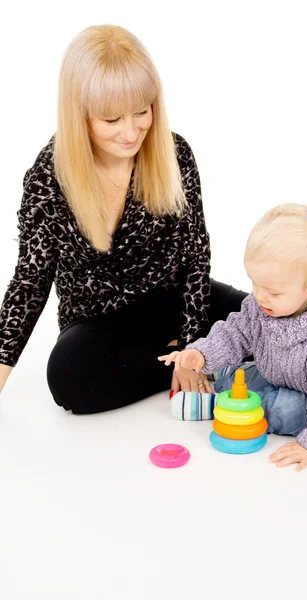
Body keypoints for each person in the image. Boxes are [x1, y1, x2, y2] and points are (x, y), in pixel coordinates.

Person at [0, 24, 247, 413]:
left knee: (259, 315)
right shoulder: (48, 178)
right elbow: (30, 283)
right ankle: (196, 362)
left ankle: (193, 357)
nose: (132, 132)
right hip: (100, 323)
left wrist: (189, 341)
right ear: (79, 116)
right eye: (111, 120)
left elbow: (196, 256)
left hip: (175, 299)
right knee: (69, 377)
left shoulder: (174, 153)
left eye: (141, 112)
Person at [159, 203, 307, 470]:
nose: (259, 296)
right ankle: (228, 392)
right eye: (254, 283)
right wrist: (202, 354)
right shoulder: (263, 305)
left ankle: (223, 406)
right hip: (278, 373)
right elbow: (235, 333)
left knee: (287, 410)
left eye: (273, 291)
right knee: (239, 376)